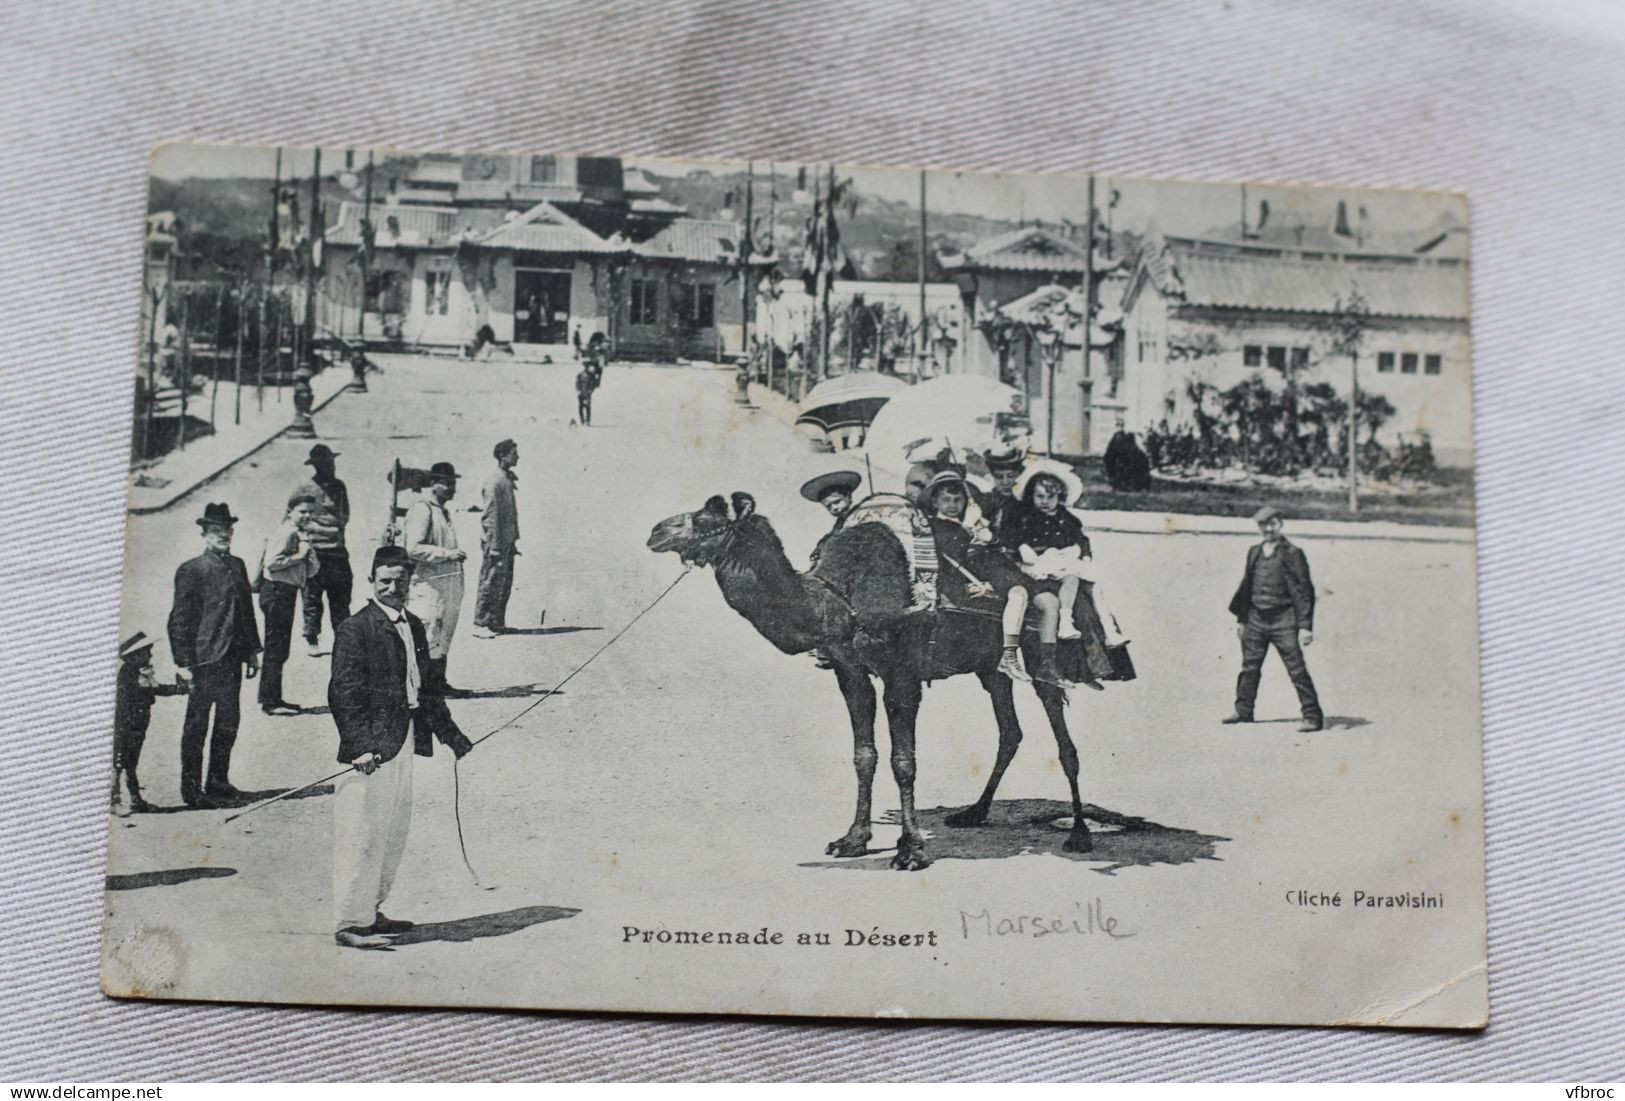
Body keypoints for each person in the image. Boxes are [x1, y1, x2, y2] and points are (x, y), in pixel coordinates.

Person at [328, 545, 474, 949]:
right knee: (363, 830)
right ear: (371, 582)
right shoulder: (356, 628)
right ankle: (348, 923)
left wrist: (453, 737)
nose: (393, 588)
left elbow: (427, 689)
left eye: (401, 582)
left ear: (410, 583)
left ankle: (371, 911)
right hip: (371, 749)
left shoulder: (412, 623)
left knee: (393, 829)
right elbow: (344, 692)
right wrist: (359, 746)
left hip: (405, 737)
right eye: (385, 581)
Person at [167, 502, 262, 808]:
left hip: (232, 659)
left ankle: (218, 782)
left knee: (228, 722)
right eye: (217, 531)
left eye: (228, 530)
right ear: (205, 534)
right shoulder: (191, 570)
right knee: (197, 726)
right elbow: (179, 620)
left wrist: (252, 653)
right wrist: (183, 664)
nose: (224, 535)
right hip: (204, 661)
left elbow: (246, 612)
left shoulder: (238, 565)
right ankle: (192, 791)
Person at [921, 470, 1033, 683]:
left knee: (1021, 592)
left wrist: (987, 535)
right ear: (935, 502)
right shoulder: (933, 526)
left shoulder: (969, 523)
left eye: (958, 499)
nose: (952, 504)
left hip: (982, 575)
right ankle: (1008, 657)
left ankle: (1010, 654)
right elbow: (953, 551)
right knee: (1017, 593)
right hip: (954, 584)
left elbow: (998, 548)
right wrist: (969, 527)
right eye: (946, 500)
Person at [1223, 505, 1323, 733]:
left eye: (1272, 524)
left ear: (1280, 524)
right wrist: (1242, 619)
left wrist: (1305, 626)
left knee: (1296, 668)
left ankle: (1312, 716)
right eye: (1263, 525)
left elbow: (1304, 591)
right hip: (1255, 619)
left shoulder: (1293, 553)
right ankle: (1243, 711)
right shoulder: (1254, 551)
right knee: (1249, 667)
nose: (1268, 529)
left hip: (1284, 619)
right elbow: (1246, 587)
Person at [403, 462, 469, 695]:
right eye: (447, 484)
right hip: (429, 584)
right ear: (434, 484)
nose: (452, 489)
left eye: (453, 484)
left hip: (447, 584)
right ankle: (425, 686)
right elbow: (413, 548)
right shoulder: (423, 509)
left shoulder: (443, 511)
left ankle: (439, 683)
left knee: (444, 634)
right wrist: (447, 554)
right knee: (429, 632)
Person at [255, 492, 321, 713]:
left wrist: (307, 553)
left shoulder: (300, 534)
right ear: (290, 511)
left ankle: (275, 698)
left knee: (281, 648)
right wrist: (300, 555)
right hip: (276, 591)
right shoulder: (286, 532)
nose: (307, 516)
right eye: (302, 511)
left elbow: (311, 571)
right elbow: (272, 563)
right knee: (276, 647)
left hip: (287, 591)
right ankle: (269, 702)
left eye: (311, 512)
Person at [111, 630, 186, 816]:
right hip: (128, 723)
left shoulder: (134, 671)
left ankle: (133, 799)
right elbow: (155, 688)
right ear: (135, 656)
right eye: (147, 652)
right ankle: (118, 799)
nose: (150, 655)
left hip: (136, 722)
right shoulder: (134, 674)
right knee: (122, 761)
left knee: (128, 761)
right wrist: (180, 688)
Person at [296, 444, 353, 657]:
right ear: (316, 466)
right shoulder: (305, 488)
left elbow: (344, 515)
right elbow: (294, 517)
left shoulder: (339, 487)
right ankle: (311, 638)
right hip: (315, 551)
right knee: (312, 597)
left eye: (331, 462)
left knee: (341, 594)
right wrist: (316, 531)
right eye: (324, 463)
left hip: (337, 550)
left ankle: (343, 638)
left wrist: (334, 529)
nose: (329, 466)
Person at [472, 439, 521, 638]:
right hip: (496, 543)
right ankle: (481, 622)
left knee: (504, 582)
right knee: (490, 581)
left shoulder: (506, 479)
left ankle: (496, 621)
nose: (517, 456)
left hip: (507, 542)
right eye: (513, 453)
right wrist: (493, 545)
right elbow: (491, 516)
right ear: (503, 456)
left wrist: (513, 540)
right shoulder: (495, 481)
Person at [800, 469, 862, 568]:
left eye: (837, 502)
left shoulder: (861, 517)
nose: (834, 508)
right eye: (828, 506)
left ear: (848, 497)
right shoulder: (836, 529)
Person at [1103, 417, 1153, 492]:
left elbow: (1109, 455)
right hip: (1128, 463)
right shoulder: (1126, 437)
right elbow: (1110, 454)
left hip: (1126, 464)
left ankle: (1119, 483)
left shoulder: (1122, 437)